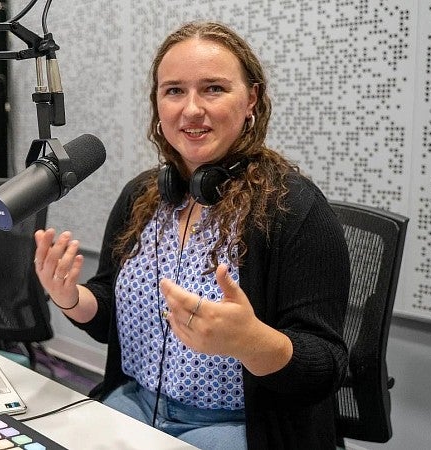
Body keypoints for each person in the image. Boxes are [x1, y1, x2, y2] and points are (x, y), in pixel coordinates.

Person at [33, 21, 350, 450]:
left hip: (241, 423)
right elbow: (112, 316)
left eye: (214, 89)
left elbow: (326, 366)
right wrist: (70, 297)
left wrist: (251, 341)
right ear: (157, 105)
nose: (191, 109)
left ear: (251, 99)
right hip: (136, 401)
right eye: (174, 91)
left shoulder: (294, 208)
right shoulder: (142, 197)